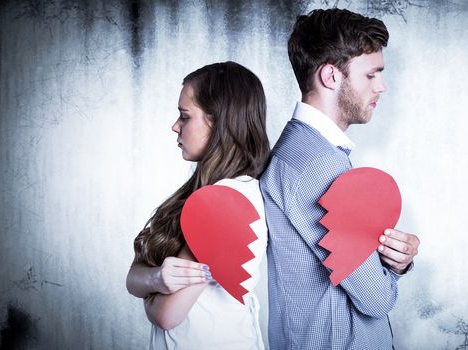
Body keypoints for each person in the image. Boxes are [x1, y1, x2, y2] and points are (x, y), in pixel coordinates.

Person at [260, 8, 421, 349]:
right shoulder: (318, 166)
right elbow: (376, 299)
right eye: (371, 75)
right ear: (331, 76)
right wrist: (391, 272)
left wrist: (395, 258)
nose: (382, 86)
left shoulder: (305, 152)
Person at [126, 61, 270, 350]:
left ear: (217, 121)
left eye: (185, 116)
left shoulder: (224, 203)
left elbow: (166, 314)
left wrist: (152, 288)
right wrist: (157, 279)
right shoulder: (210, 193)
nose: (175, 126)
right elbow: (133, 278)